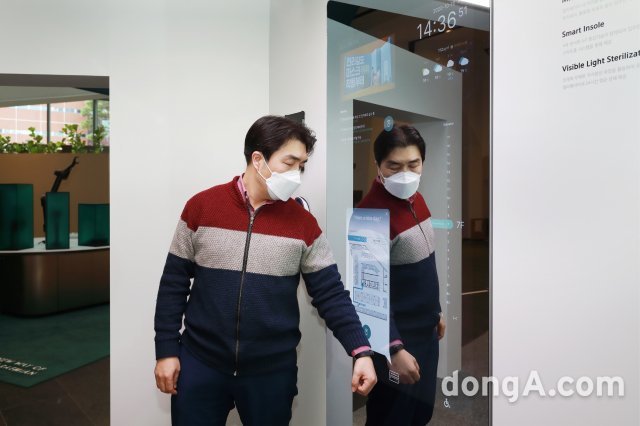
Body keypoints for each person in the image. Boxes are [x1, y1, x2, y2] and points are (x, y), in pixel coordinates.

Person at [153, 115, 377, 426]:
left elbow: (330, 294)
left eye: (302, 165)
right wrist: (166, 350)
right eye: (290, 162)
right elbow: (173, 284)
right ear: (258, 160)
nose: (296, 174)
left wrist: (360, 350)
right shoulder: (201, 207)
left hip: (271, 372)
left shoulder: (303, 224)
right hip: (201, 363)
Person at [357, 125, 445, 426]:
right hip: (397, 340)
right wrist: (393, 349)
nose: (405, 174)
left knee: (420, 413)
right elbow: (367, 297)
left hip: (426, 333)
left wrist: (436, 311)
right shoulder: (369, 216)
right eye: (394, 166)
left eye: (413, 164)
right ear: (378, 165)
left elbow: (425, 264)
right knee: (391, 416)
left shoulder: (417, 200)